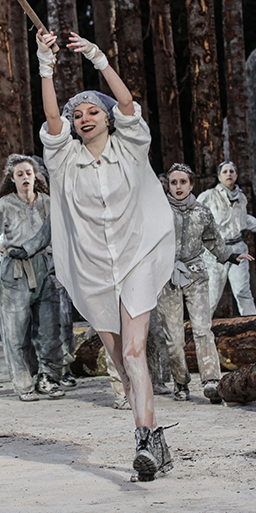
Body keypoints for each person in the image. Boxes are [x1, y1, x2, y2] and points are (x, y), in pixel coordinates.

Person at [37, 28, 176, 482]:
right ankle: (157, 436)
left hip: (135, 259)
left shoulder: (131, 147)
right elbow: (51, 120)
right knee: (120, 363)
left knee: (135, 354)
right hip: (94, 270)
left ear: (108, 118)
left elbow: (131, 104)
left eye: (93, 111)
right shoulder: (63, 162)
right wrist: (45, 65)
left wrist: (98, 57)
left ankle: (144, 445)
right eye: (79, 115)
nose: (84, 118)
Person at [156, 164, 252, 403]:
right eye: (174, 182)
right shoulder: (157, 211)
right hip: (166, 277)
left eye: (183, 182)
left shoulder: (202, 211)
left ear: (191, 184)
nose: (178, 187)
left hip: (196, 273)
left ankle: (211, 380)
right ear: (168, 184)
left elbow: (213, 240)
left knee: (202, 329)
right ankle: (180, 380)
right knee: (174, 336)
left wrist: (230, 256)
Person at [0, 154, 66, 401]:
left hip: (44, 267)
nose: (25, 177)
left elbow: (60, 236)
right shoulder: (4, 205)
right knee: (16, 332)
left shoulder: (48, 202)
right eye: (20, 174)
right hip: (14, 270)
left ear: (35, 175)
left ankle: (49, 379)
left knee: (49, 330)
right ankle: (23, 382)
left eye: (28, 173)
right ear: (12, 178)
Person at [198, 161, 256, 317]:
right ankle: (201, 329)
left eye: (232, 171)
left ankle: (251, 325)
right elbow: (195, 216)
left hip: (237, 247)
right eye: (225, 171)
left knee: (242, 290)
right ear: (219, 176)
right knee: (212, 294)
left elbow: (244, 219)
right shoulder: (208, 196)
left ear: (236, 175)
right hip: (216, 251)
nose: (229, 174)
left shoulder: (241, 197)